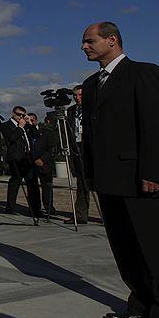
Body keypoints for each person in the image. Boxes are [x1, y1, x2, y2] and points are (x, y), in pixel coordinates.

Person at [81, 21, 159, 318]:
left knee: (155, 249)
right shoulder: (91, 84)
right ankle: (140, 305)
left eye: (90, 41)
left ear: (112, 40)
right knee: (125, 249)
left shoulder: (143, 73)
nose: (84, 47)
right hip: (109, 181)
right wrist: (90, 174)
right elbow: (91, 135)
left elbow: (157, 124)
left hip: (142, 179)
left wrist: (153, 172)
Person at [0, 105, 39, 216]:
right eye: (18, 115)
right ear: (13, 113)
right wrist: (20, 127)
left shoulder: (26, 125)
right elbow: (11, 138)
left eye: (23, 115)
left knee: (32, 183)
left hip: (28, 158)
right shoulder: (6, 125)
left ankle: (34, 209)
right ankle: (10, 207)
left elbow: (36, 135)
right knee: (15, 182)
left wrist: (30, 124)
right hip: (16, 158)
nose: (20, 117)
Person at [64, 85, 90, 224]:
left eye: (80, 95)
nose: (77, 98)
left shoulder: (92, 107)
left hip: (90, 147)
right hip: (76, 146)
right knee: (81, 183)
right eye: (75, 95)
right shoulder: (71, 110)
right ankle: (80, 214)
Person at [27, 112, 55, 217]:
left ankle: (49, 208)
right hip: (31, 163)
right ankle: (34, 209)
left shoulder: (46, 132)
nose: (30, 123)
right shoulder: (26, 132)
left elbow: (51, 148)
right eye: (28, 121)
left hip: (44, 163)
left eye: (32, 120)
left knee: (46, 187)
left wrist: (42, 159)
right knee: (32, 188)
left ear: (36, 120)